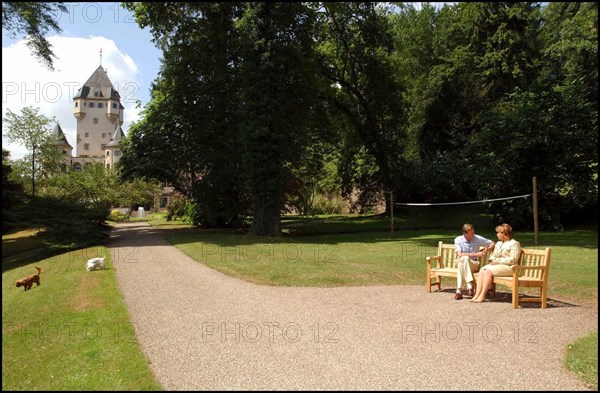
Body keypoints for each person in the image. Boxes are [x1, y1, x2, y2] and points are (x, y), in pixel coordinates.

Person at [471, 223, 521, 303]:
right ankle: (477, 294)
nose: (497, 234)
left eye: (498, 233)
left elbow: (513, 259)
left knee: (487, 272)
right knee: (482, 270)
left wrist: (497, 261)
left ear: (504, 234)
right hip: (497, 266)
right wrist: (492, 260)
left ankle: (482, 295)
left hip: (510, 267)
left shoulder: (514, 243)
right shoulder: (498, 243)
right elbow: (493, 256)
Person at [453, 223, 495, 300]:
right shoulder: (458, 239)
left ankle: (459, 291)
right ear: (465, 233)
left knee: (461, 264)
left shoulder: (477, 238)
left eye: (473, 231)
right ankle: (469, 287)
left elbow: (492, 243)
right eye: (471, 233)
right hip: (463, 262)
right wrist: (476, 254)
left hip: (474, 264)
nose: (473, 234)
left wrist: (487, 249)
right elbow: (459, 254)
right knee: (464, 259)